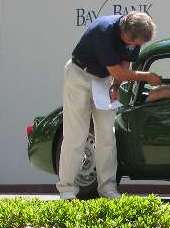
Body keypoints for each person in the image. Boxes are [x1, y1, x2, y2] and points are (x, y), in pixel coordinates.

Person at [57, 11, 161, 200]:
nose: (135, 47)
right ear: (124, 31)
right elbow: (119, 71)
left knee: (107, 135)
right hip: (79, 75)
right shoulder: (103, 30)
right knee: (76, 134)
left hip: (103, 80)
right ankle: (67, 190)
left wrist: (115, 85)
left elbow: (125, 64)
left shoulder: (135, 35)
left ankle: (108, 188)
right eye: (133, 43)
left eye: (138, 45)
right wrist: (146, 76)